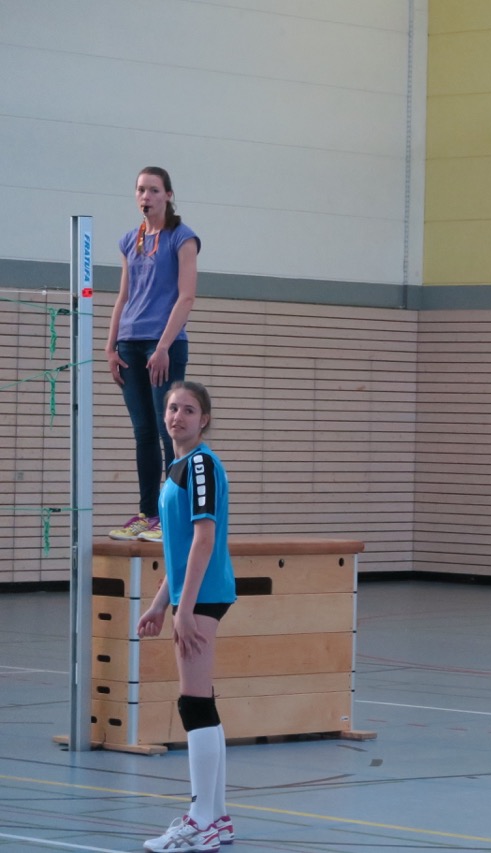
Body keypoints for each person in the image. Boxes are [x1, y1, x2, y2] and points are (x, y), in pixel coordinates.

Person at [137, 382, 235, 852]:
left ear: (204, 419)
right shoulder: (176, 468)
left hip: (205, 595)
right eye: (173, 408)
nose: (178, 415)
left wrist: (187, 608)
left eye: (189, 410)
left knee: (193, 704)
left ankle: (201, 823)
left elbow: (204, 539)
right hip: (192, 594)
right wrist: (161, 604)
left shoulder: (200, 465)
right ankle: (217, 819)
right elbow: (177, 550)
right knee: (202, 702)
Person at [106, 166, 200, 544]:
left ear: (168, 195)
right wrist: (111, 346)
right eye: (141, 190)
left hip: (164, 344)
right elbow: (123, 296)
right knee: (143, 431)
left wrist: (162, 346)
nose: (146, 197)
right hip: (130, 343)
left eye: (154, 190)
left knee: (168, 430)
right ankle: (147, 514)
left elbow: (186, 296)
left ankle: (172, 514)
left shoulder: (183, 237)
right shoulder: (131, 240)